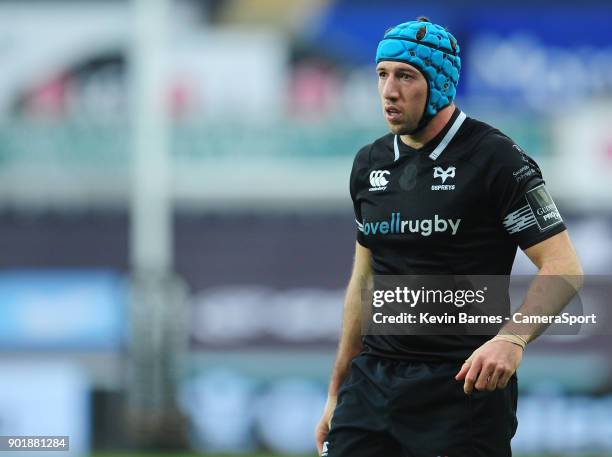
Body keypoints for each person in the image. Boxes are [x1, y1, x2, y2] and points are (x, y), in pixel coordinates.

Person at [314, 16, 583, 457]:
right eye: (382, 74)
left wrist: (511, 339)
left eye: (406, 76)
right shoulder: (370, 163)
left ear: (439, 84)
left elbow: (564, 268)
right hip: (373, 388)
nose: (388, 90)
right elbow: (363, 285)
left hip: (461, 389)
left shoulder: (496, 159)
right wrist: (336, 391)